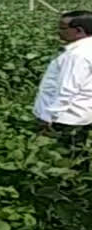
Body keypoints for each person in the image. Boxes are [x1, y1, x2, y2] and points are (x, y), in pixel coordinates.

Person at [33, 10, 92, 150]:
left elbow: (67, 90)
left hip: (66, 118)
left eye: (62, 28)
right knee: (77, 154)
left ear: (79, 30)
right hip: (83, 113)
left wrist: (48, 118)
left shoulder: (76, 55)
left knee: (61, 159)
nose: (58, 31)